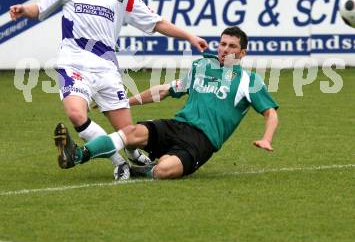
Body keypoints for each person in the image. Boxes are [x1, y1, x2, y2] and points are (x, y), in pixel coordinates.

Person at [9, 0, 208, 180]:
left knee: (128, 133)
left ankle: (134, 155)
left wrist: (188, 36)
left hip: (106, 69)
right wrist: (22, 9)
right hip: (73, 63)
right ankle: (119, 163)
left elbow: (155, 23)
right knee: (75, 114)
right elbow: (39, 7)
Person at [52, 26, 279, 180]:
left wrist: (266, 139)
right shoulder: (202, 66)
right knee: (131, 132)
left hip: (202, 142)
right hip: (178, 125)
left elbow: (271, 113)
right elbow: (165, 90)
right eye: (222, 44)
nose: (224, 50)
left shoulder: (250, 81)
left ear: (242, 53)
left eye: (231, 46)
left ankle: (136, 169)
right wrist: (125, 102)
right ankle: (77, 155)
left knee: (163, 171)